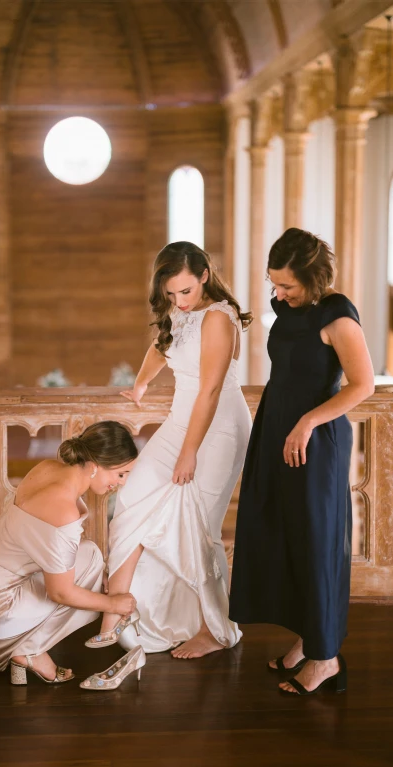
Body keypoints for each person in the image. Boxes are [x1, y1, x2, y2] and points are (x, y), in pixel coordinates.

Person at [87, 241, 253, 658]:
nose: (178, 301)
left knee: (198, 527)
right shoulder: (182, 313)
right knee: (132, 498)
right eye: (171, 294)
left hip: (217, 431)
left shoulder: (218, 317)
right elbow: (162, 345)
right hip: (179, 423)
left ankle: (215, 630)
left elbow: (211, 389)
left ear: (204, 277)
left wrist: (189, 451)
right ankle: (115, 612)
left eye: (186, 292)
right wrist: (141, 384)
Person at [229, 228, 375, 695]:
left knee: (315, 540)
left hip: (316, 439)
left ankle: (325, 659)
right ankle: (305, 637)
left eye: (287, 285)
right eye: (273, 283)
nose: (277, 293)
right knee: (281, 533)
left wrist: (308, 423)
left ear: (314, 279)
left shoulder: (338, 317)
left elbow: (362, 385)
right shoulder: (286, 309)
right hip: (277, 429)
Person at [0, 421, 138, 684]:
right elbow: (60, 593)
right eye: (120, 474)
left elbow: (42, 543)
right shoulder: (63, 509)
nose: (121, 483)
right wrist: (114, 603)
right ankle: (29, 651)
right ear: (95, 464)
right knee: (91, 566)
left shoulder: (47, 469)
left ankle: (23, 648)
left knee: (89, 558)